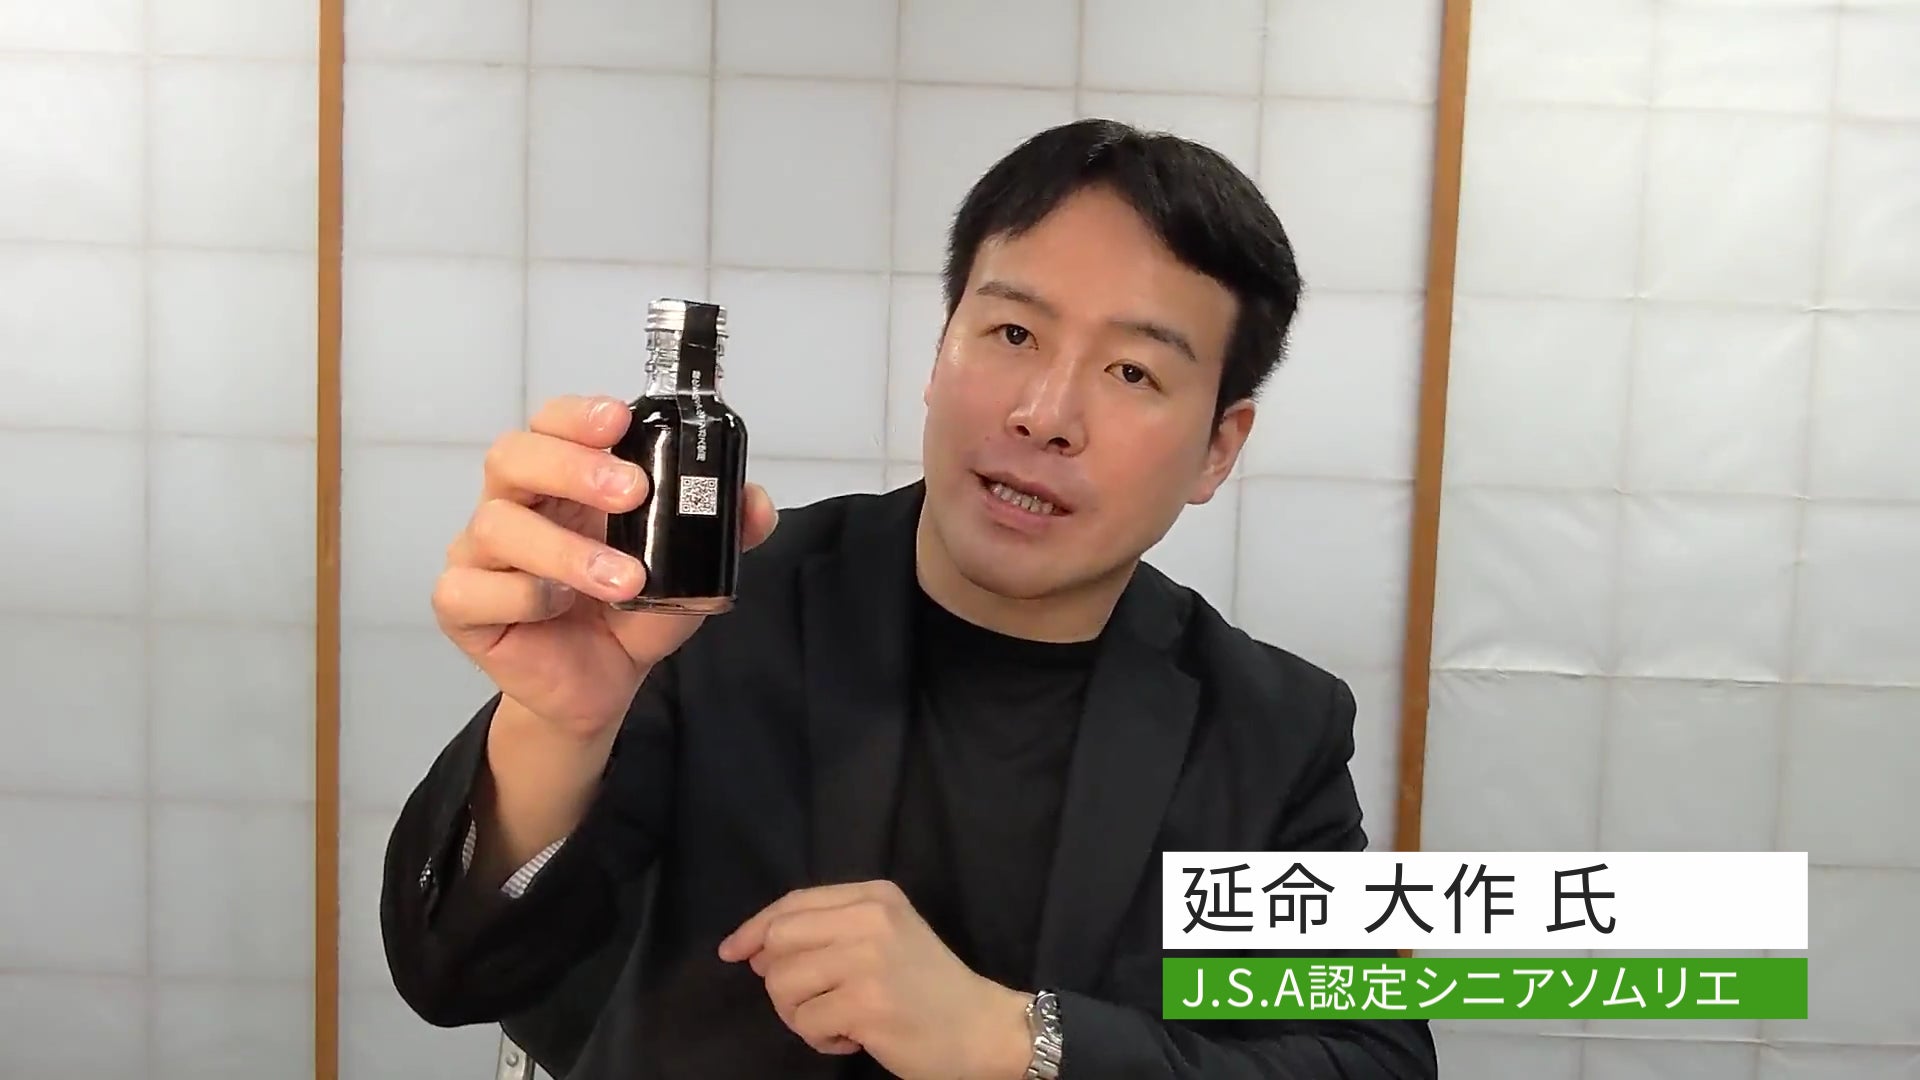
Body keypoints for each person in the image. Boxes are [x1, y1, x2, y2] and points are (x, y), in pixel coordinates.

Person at [381, 118, 1438, 1079]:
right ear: (938, 355)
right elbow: (453, 977)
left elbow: (1376, 1058)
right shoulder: (710, 611)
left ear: (1218, 447)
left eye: (1132, 373)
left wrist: (1017, 1042)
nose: (1045, 414)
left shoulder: (1268, 729)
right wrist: (558, 725)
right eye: (1013, 334)